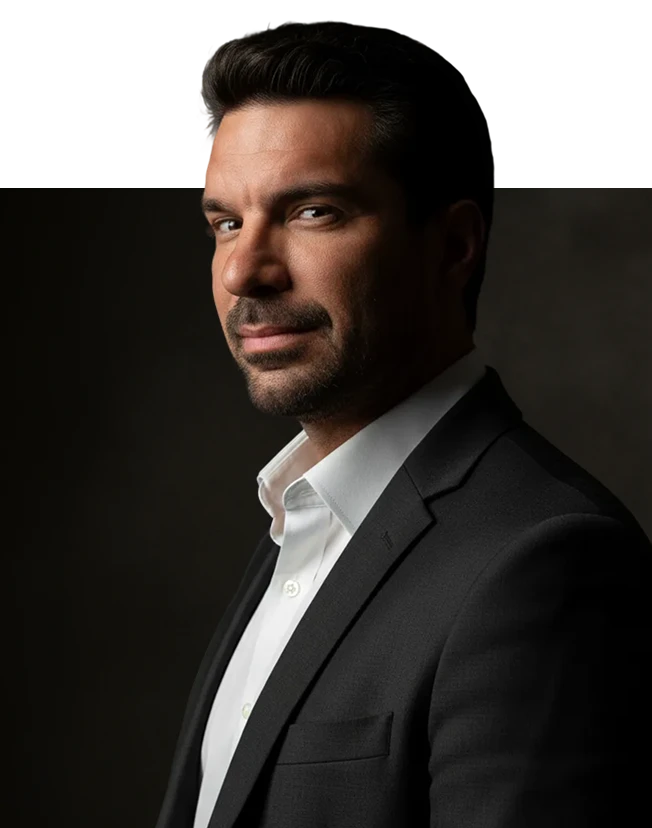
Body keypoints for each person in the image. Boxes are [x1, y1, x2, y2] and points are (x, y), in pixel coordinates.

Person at [157, 20, 651, 828]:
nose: (244, 269)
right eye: (227, 223)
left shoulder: (547, 562)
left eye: (312, 211)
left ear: (453, 246)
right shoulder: (300, 521)